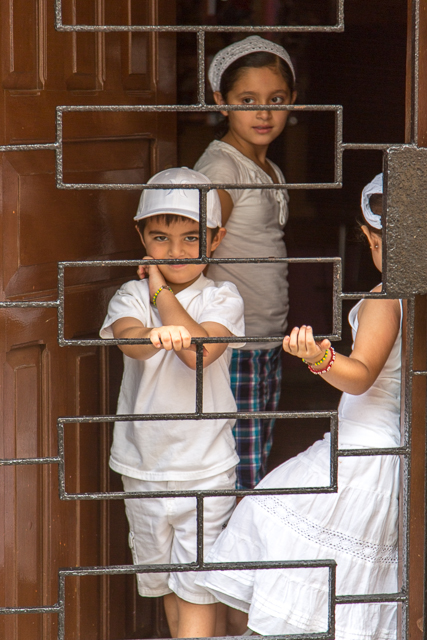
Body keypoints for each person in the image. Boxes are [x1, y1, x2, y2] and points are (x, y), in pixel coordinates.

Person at [197, 174, 402, 640]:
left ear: (370, 239)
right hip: (383, 451)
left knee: (269, 511)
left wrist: (319, 357)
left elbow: (362, 374)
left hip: (359, 453)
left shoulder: (386, 297)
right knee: (346, 572)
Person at [100, 167, 245, 638]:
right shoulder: (129, 296)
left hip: (203, 468)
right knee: (164, 581)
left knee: (199, 584)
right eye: (161, 237)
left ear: (217, 239)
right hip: (142, 467)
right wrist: (152, 322)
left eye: (191, 238)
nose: (176, 251)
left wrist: (161, 292)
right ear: (141, 235)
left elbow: (199, 353)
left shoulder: (223, 296)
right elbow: (131, 342)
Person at [194, 35, 298, 492]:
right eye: (248, 100)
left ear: (292, 101)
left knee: (253, 460)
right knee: (237, 471)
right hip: (234, 346)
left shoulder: (270, 168)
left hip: (264, 340)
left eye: (275, 100)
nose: (263, 113)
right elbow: (195, 248)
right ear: (221, 102)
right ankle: (228, 561)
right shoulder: (221, 170)